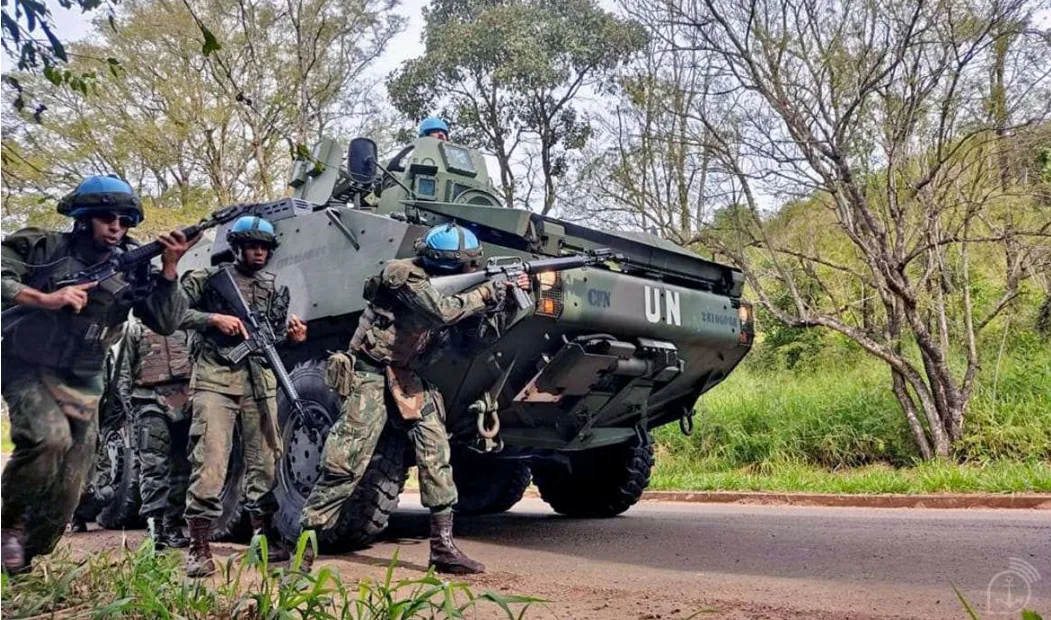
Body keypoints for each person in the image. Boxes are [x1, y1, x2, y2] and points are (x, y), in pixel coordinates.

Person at [298, 223, 529, 575]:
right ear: (448, 265)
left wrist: (506, 297)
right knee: (346, 462)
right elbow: (441, 311)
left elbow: (471, 336)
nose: (471, 269)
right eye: (467, 265)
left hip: (406, 374)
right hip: (369, 371)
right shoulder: (402, 274)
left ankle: (443, 547)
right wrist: (486, 292)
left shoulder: (446, 281)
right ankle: (304, 548)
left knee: (435, 452)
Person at [1, 175, 194, 574]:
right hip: (28, 363)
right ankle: (9, 525)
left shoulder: (135, 267)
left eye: (124, 221)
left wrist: (171, 269)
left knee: (74, 479)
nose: (116, 228)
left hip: (84, 374)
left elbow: (166, 321)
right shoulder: (43, 247)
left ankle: (25, 558)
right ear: (83, 218)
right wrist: (44, 298)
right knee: (47, 438)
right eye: (107, 218)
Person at [179, 215, 307, 578]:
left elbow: (274, 336)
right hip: (216, 379)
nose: (259, 252)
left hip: (258, 381)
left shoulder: (272, 287)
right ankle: (199, 548)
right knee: (211, 462)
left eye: (264, 247)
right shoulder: (205, 280)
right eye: (252, 245)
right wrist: (213, 320)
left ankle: (262, 541)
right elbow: (170, 314)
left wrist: (293, 336)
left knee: (266, 461)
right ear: (234, 247)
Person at [117, 320, 193, 549]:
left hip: (184, 401)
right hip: (148, 400)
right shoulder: (134, 328)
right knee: (153, 466)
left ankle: (172, 524)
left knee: (183, 466)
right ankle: (155, 526)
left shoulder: (185, 322)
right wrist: (129, 408)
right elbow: (123, 371)